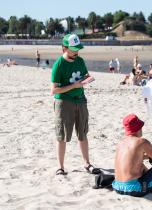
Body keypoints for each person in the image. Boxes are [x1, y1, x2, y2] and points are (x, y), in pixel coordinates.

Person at [51, 34, 100, 176]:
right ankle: (60, 167)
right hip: (64, 102)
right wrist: (73, 86)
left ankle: (87, 163)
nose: (76, 52)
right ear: (64, 48)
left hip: (81, 100)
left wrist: (88, 79)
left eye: (78, 49)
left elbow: (86, 76)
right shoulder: (59, 64)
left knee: (83, 132)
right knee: (62, 135)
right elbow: (54, 90)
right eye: (73, 49)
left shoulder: (80, 60)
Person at [112, 114, 152, 197]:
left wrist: (147, 156)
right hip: (134, 189)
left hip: (117, 187)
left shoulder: (120, 143)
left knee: (140, 165)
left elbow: (133, 159)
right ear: (138, 128)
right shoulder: (141, 142)